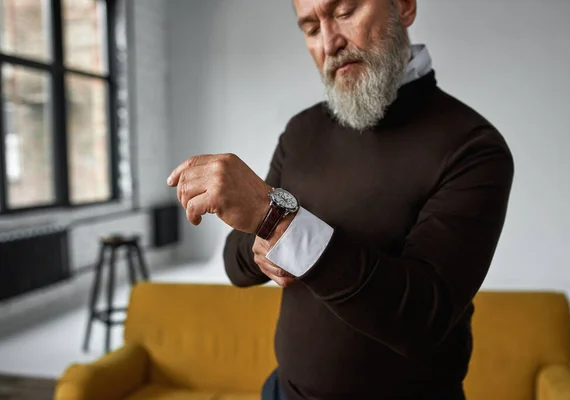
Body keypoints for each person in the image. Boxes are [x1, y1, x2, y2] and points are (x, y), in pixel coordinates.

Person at [166, 0, 514, 399]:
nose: (330, 42)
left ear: (403, 7)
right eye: (311, 28)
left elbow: (424, 315)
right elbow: (237, 263)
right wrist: (263, 242)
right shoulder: (300, 132)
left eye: (346, 11)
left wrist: (277, 220)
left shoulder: (472, 146)